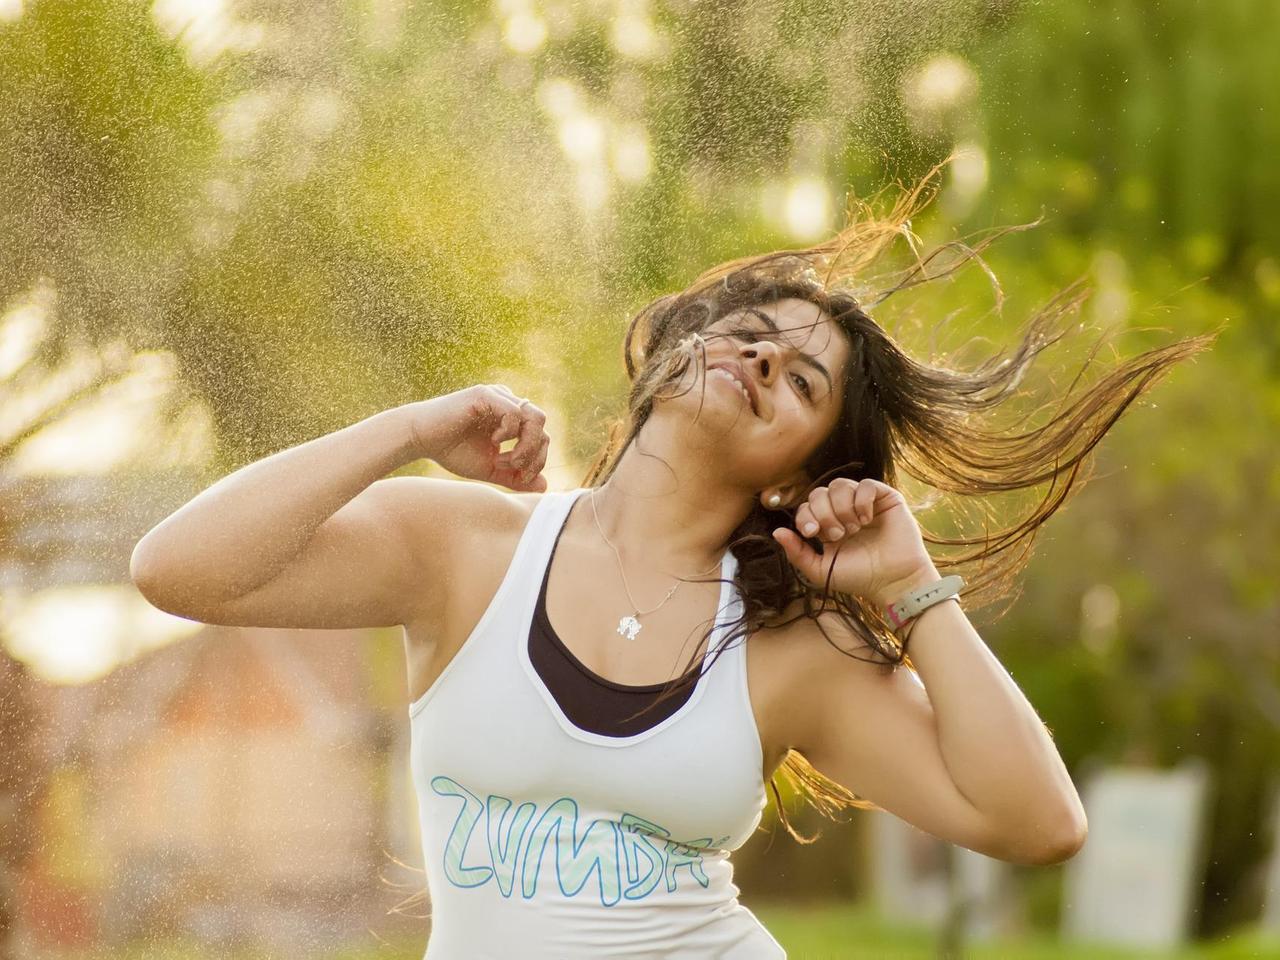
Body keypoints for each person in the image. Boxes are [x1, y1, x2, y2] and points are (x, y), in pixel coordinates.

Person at [130, 165, 1214, 958]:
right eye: (752, 331)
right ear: (679, 345)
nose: (762, 359)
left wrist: (913, 591)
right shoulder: (464, 549)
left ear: (798, 473)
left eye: (801, 381)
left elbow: (1037, 824)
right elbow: (179, 569)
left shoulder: (789, 652)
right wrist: (412, 427)